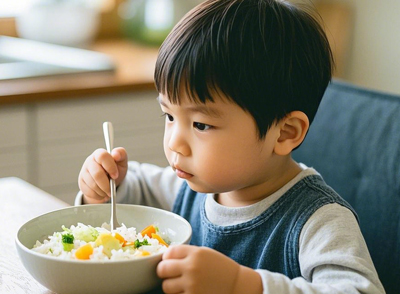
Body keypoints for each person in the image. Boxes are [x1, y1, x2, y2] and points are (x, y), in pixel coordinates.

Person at [76, 0, 385, 293]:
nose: (174, 143)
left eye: (200, 125)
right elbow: (138, 188)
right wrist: (106, 185)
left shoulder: (318, 220)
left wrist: (242, 285)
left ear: (285, 133)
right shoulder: (190, 187)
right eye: (169, 116)